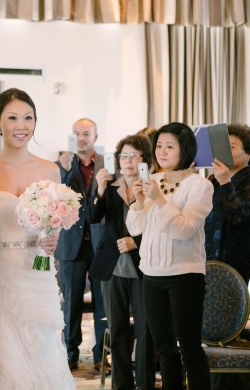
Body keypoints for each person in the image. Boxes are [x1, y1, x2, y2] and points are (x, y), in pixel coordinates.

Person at [0, 88, 75, 389]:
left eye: (28, 118)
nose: (21, 125)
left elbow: (55, 220)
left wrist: (53, 237)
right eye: (12, 118)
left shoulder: (49, 169)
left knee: (40, 345)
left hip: (36, 270)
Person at [127, 122, 213, 390]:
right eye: (159, 145)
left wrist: (160, 200)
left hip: (185, 276)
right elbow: (135, 228)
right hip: (151, 275)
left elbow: (185, 231)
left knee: (189, 349)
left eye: (169, 146)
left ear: (185, 149)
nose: (161, 151)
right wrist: (140, 201)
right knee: (164, 350)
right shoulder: (153, 180)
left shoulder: (200, 186)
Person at [87, 134, 156, 390]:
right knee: (116, 331)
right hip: (112, 268)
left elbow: (159, 225)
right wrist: (100, 190)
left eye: (133, 156)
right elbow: (93, 218)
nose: (127, 161)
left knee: (144, 331)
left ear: (144, 161)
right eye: (123, 156)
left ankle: (145, 384)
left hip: (143, 266)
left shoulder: (152, 188)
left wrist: (136, 243)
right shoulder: (110, 187)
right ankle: (121, 385)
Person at [56, 118, 107, 372]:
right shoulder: (60, 165)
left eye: (86, 133)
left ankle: (101, 356)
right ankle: (69, 353)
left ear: (95, 136)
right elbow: (55, 201)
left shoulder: (107, 165)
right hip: (71, 244)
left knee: (102, 302)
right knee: (71, 301)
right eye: (76, 134)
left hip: (100, 243)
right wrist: (64, 173)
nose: (81, 138)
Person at [204, 124, 250, 285]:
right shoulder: (213, 180)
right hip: (206, 256)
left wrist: (225, 181)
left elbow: (237, 216)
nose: (225, 151)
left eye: (232, 147)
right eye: (224, 146)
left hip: (233, 260)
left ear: (249, 154)